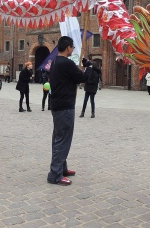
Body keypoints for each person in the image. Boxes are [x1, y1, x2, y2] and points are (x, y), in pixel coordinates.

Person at [47, 36, 92, 186]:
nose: (73, 50)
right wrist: (89, 67)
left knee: (59, 138)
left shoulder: (55, 62)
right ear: (67, 48)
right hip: (65, 106)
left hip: (57, 105)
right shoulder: (66, 63)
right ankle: (55, 174)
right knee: (62, 140)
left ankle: (62, 168)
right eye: (72, 47)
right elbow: (82, 78)